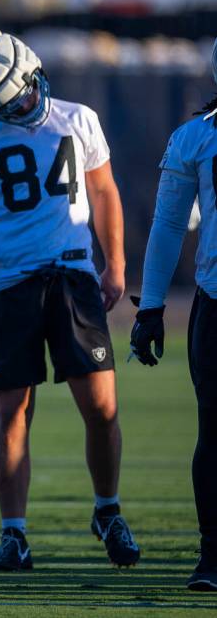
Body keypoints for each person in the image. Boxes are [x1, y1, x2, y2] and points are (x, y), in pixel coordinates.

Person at [0, 30, 139, 570]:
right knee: (12, 413)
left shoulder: (78, 118)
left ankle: (108, 508)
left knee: (101, 407)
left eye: (24, 92)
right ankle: (14, 532)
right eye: (9, 102)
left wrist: (116, 262)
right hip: (9, 286)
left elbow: (103, 191)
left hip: (73, 278)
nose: (23, 105)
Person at [130, 38, 217, 591]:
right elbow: (166, 226)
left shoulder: (198, 134)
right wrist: (152, 305)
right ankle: (213, 552)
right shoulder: (198, 136)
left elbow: (166, 227)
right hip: (216, 300)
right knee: (214, 433)